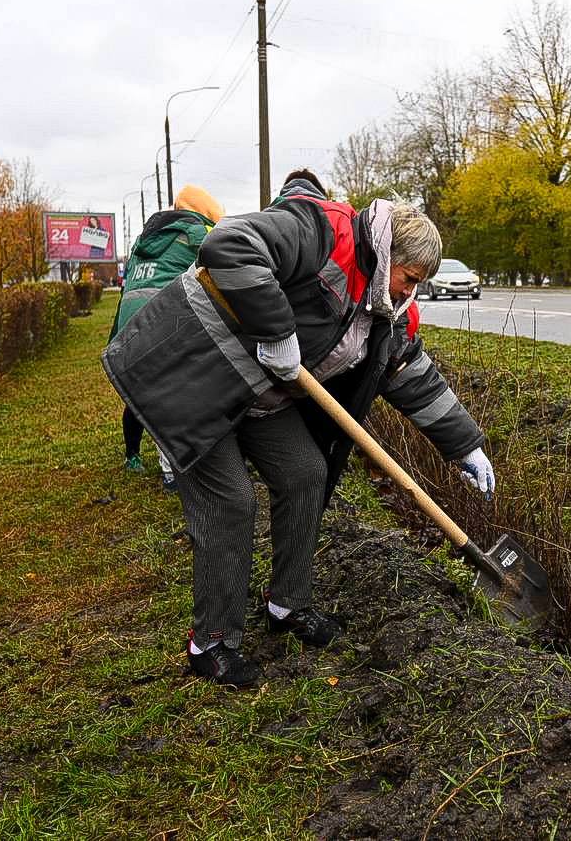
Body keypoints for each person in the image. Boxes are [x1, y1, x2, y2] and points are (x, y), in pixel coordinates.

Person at [103, 183, 494, 689]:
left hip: (258, 397)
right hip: (193, 378)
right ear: (388, 253)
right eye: (409, 278)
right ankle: (212, 643)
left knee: (306, 473)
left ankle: (287, 604)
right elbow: (229, 244)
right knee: (231, 503)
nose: (409, 293)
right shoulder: (322, 231)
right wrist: (275, 328)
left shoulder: (384, 309)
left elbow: (411, 373)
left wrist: (465, 445)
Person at [109, 185, 225, 491]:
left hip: (130, 323)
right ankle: (173, 472)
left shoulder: (144, 239)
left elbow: (127, 289)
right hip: (162, 322)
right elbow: (221, 272)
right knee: (174, 392)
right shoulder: (199, 233)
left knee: (142, 394)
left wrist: (116, 337)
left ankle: (133, 456)